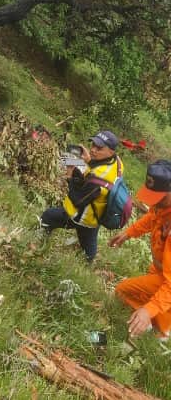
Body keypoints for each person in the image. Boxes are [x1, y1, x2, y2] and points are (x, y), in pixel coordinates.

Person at [108, 160, 171, 342]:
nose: (154, 203)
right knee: (147, 297)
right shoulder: (162, 206)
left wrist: (147, 310)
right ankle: (157, 323)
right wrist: (128, 233)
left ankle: (160, 333)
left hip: (168, 279)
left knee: (122, 291)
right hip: (161, 271)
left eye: (158, 197)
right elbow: (152, 218)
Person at [39, 130, 123, 262]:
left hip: (81, 217)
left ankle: (38, 243)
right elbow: (98, 178)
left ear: (111, 151)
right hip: (96, 216)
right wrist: (90, 161)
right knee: (88, 250)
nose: (94, 150)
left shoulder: (99, 177)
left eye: (99, 148)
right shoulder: (117, 162)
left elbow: (77, 199)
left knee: (48, 217)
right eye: (93, 145)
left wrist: (70, 176)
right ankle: (89, 261)